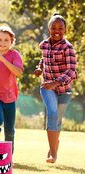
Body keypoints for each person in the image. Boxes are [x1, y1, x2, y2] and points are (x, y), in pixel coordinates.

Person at [34, 13, 77, 163]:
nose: (56, 30)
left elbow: (71, 71)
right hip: (47, 87)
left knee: (57, 120)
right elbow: (43, 58)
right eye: (53, 27)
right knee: (52, 114)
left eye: (60, 28)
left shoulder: (68, 48)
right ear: (49, 28)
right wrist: (39, 68)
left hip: (64, 89)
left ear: (65, 29)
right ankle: (54, 154)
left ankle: (53, 146)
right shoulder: (44, 44)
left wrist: (56, 82)